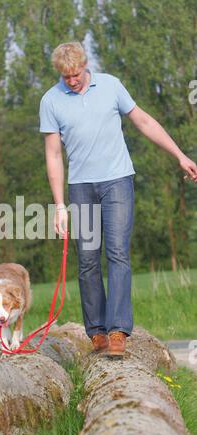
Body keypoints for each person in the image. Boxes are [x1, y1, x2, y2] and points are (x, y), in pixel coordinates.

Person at [39, 42, 197, 358]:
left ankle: (117, 331)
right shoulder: (50, 100)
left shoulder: (111, 86)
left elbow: (144, 121)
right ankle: (96, 331)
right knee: (86, 260)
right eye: (65, 76)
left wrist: (179, 155)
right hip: (80, 187)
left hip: (117, 182)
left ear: (86, 65)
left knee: (118, 254)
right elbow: (53, 154)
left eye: (76, 74)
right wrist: (59, 206)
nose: (71, 80)